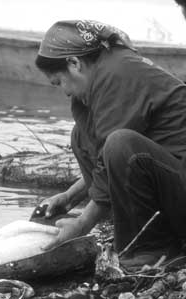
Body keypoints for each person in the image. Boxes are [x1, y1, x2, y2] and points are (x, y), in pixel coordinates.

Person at [35, 20, 186, 270]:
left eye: (59, 82)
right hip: (173, 181)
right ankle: (138, 231)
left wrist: (82, 225)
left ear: (74, 63)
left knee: (119, 143)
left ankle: (154, 248)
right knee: (81, 136)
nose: (64, 93)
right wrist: (70, 196)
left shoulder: (118, 73)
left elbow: (119, 151)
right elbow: (105, 160)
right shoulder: (107, 69)